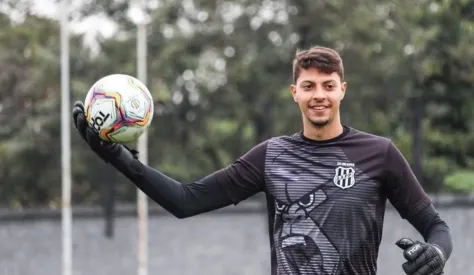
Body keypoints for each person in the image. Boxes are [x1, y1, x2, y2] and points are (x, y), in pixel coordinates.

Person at [72, 46, 452, 275]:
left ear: (342, 91)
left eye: (328, 85)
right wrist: (116, 156)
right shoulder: (272, 156)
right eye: (308, 86)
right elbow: (185, 201)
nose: (318, 95)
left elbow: (435, 226)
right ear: (294, 93)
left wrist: (436, 254)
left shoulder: (379, 153)